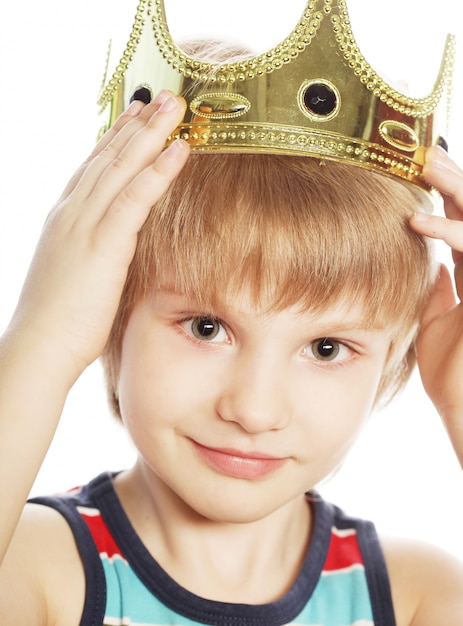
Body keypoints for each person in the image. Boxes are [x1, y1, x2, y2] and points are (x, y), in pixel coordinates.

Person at [1, 16, 463, 626]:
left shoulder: (415, 597)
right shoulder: (36, 566)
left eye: (326, 347)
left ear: (393, 356)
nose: (254, 410)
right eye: (206, 328)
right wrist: (42, 340)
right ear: (108, 312)